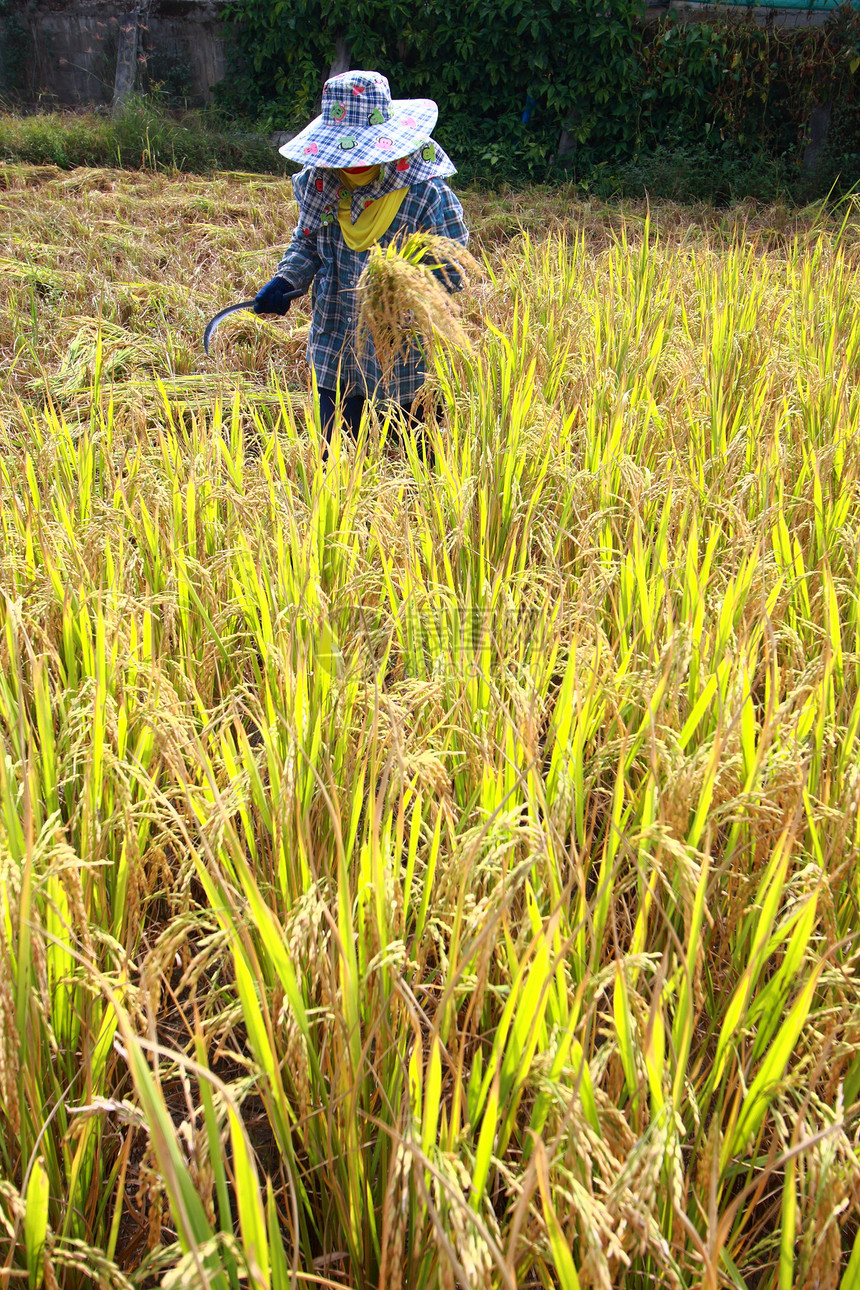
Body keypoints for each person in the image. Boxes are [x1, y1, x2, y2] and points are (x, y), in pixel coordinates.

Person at [252, 69, 470, 464]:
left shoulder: (423, 190)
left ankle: (419, 518)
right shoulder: (321, 184)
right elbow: (307, 241)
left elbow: (453, 265)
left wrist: (409, 282)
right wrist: (286, 279)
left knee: (419, 456)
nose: (351, 165)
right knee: (335, 456)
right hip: (337, 333)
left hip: (403, 344)